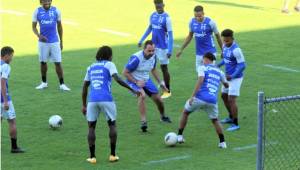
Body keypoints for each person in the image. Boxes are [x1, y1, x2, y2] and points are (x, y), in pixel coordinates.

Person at [82, 46, 140, 164]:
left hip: (92, 100)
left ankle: (92, 157)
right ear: (109, 56)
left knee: (91, 127)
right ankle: (112, 155)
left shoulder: (90, 67)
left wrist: (83, 105)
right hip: (106, 99)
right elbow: (117, 79)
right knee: (112, 125)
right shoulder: (109, 64)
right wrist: (132, 89)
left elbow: (84, 87)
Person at [177, 52, 228, 149]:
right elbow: (226, 85)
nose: (202, 61)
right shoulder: (220, 72)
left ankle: (179, 136)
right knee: (215, 120)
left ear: (206, 59)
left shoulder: (202, 68)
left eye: (203, 60)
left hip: (200, 97)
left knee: (185, 112)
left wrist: (192, 96)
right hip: (212, 100)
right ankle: (222, 142)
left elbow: (200, 80)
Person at [123, 40, 172, 132]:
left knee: (159, 100)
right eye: (149, 51)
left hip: (146, 80)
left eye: (153, 50)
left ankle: (163, 116)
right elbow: (125, 72)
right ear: (144, 49)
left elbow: (153, 70)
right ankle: (143, 122)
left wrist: (161, 83)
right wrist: (136, 81)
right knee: (142, 95)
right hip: (133, 80)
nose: (151, 53)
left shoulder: (153, 56)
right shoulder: (136, 58)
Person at [138, 0, 173, 99]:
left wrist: (170, 50)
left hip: (163, 47)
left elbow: (170, 35)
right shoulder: (153, 15)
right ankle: (146, 87)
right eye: (156, 5)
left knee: (164, 68)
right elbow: (150, 28)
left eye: (159, 4)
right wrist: (141, 40)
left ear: (163, 5)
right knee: (148, 66)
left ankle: (168, 90)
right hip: (153, 46)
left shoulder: (167, 18)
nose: (158, 6)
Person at [32, 0, 70, 91]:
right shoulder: (37, 11)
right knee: (43, 62)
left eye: (49, 1)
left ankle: (62, 84)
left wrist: (61, 41)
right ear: (41, 2)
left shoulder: (56, 10)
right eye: (45, 1)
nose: (47, 3)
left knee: (58, 62)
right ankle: (44, 83)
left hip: (54, 41)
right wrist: (39, 35)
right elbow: (33, 27)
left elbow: (59, 26)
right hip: (42, 42)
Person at [176, 5, 222, 72]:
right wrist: (181, 49)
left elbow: (218, 37)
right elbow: (190, 36)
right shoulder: (192, 22)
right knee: (200, 75)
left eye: (200, 16)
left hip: (210, 52)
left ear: (203, 14)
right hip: (199, 54)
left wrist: (223, 50)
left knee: (208, 75)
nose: (197, 18)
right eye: (196, 16)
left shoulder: (210, 22)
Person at [217, 29, 246, 132]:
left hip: (236, 78)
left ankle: (236, 123)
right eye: (224, 40)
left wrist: (233, 76)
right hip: (228, 76)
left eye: (227, 41)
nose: (225, 43)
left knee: (231, 99)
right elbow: (226, 59)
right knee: (224, 96)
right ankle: (230, 117)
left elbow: (242, 65)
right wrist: (217, 65)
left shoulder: (236, 50)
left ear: (232, 39)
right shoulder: (224, 46)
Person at [1, 46, 25, 153]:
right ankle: (14, 147)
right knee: (12, 121)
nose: (12, 59)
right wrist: (5, 101)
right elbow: (2, 82)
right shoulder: (5, 66)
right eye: (11, 56)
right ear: (6, 55)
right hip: (3, 99)